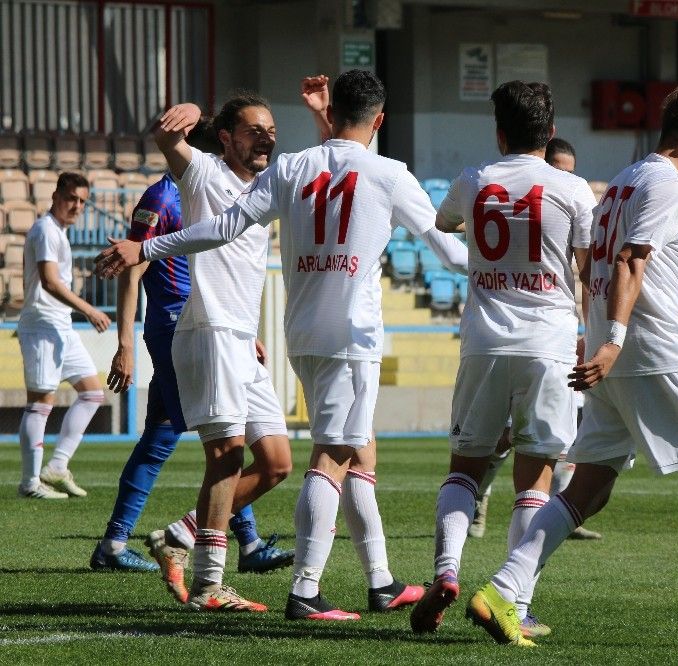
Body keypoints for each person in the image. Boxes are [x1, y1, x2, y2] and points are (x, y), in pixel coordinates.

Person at [95, 69, 467, 621]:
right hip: (330, 334)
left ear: (332, 114)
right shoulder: (385, 173)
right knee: (320, 456)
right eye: (256, 129)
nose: (267, 138)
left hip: (289, 335)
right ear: (380, 121)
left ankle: (380, 581)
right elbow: (451, 252)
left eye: (272, 129)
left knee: (324, 456)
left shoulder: (289, 169)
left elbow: (232, 223)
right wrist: (513, 268)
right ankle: (298, 589)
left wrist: (150, 247)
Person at [464, 84, 678, 648]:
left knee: (589, 487)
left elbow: (597, 265)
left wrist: (601, 337)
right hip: (652, 350)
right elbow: (629, 260)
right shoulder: (668, 184)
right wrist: (615, 341)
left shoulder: (624, 179)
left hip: (614, 353)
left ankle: (503, 592)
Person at [407, 81, 594, 643]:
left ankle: (446, 571)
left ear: (499, 131)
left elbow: (444, 223)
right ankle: (516, 602)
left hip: (485, 341)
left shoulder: (475, 179)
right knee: (536, 473)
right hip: (550, 343)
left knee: (465, 468)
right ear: (550, 132)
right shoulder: (573, 188)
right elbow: (589, 271)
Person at [89, 119, 291, 575]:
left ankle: (119, 542)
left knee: (176, 436)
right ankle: (228, 542)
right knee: (219, 441)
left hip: (208, 325)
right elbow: (132, 267)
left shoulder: (212, 193)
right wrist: (125, 343)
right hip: (178, 328)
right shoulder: (163, 198)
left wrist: (244, 331)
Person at [469, 135, 603, 543]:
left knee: (560, 437)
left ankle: (558, 511)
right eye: (557, 168)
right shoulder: (518, 204)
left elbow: (588, 277)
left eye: (569, 172)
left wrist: (590, 331)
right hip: (513, 333)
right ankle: (481, 496)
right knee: (506, 436)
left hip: (554, 335)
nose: (561, 177)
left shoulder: (569, 206)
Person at [17, 172, 109, 500]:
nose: (77, 206)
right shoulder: (45, 229)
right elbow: (50, 281)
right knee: (40, 402)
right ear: (56, 196)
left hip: (61, 327)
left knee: (92, 393)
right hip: (42, 325)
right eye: (72, 198)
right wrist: (90, 310)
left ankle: (56, 466)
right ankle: (30, 483)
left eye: (83, 201)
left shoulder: (59, 231)